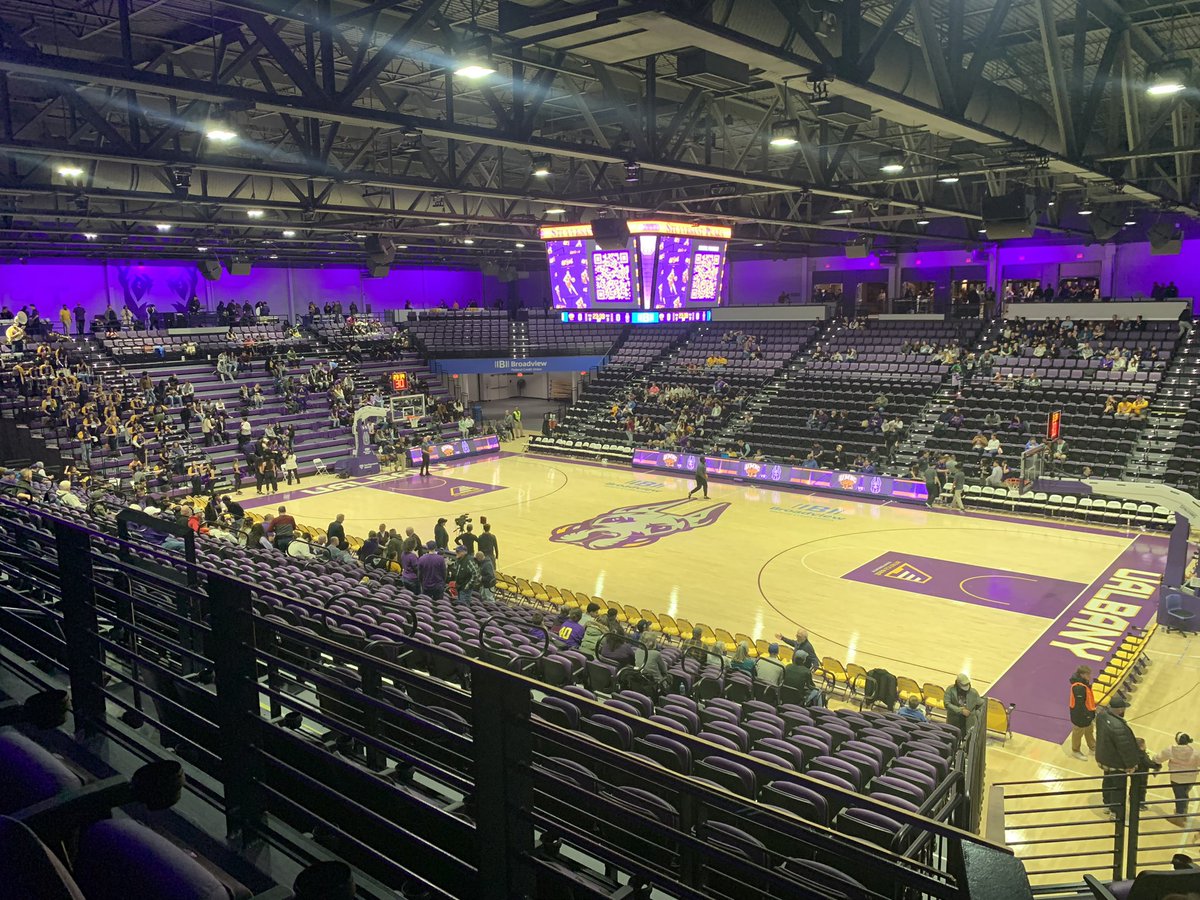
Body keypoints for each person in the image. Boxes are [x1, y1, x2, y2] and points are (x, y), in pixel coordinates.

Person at [1095, 697, 1141, 819]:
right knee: (1118, 788)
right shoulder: (1119, 727)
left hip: (1104, 757)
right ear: (1120, 709)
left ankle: (1107, 804)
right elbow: (1125, 748)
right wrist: (1131, 764)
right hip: (1116, 763)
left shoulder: (1101, 716)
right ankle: (1115, 812)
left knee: (1107, 781)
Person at [1157, 733, 1197, 824]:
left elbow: (1158, 758)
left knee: (1179, 796)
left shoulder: (1170, 750)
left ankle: (1179, 816)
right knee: (1184, 795)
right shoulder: (1195, 753)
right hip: (1190, 779)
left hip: (1176, 778)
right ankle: (1182, 814)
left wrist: (1154, 762)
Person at [1068, 665, 1098, 760]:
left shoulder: (1084, 683)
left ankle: (1093, 747)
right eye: (1088, 674)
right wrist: (1087, 715)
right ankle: (1075, 751)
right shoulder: (1078, 687)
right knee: (1078, 733)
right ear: (1082, 674)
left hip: (1088, 712)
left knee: (1089, 730)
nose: (1090, 676)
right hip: (1079, 715)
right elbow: (1080, 705)